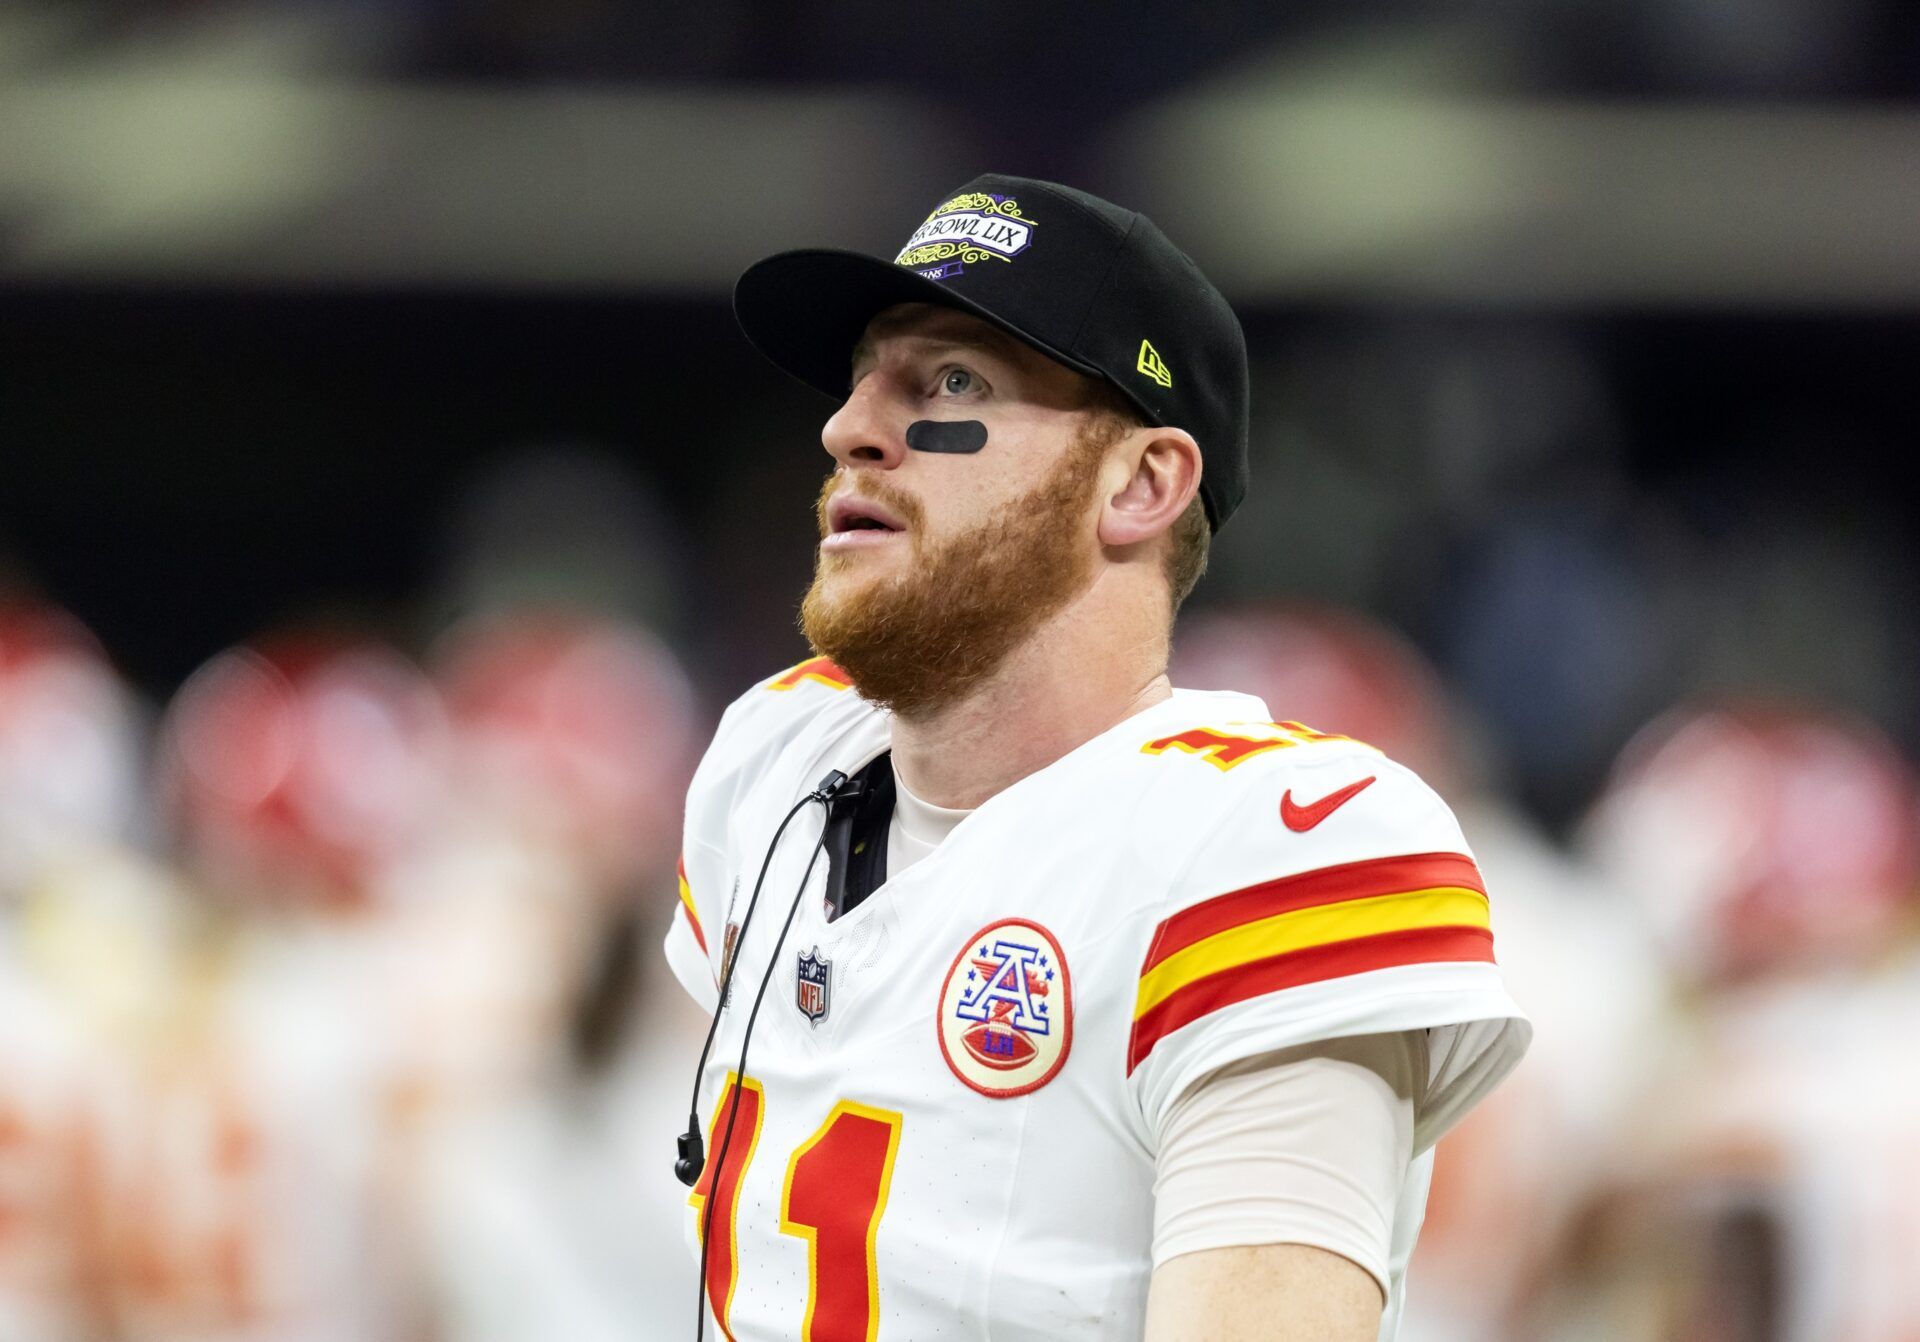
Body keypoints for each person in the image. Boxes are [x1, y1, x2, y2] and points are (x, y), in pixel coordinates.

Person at [661, 174, 1531, 1342]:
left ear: (1141, 482)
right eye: (866, 377)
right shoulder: (774, 758)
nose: (849, 428)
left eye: (949, 383)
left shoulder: (1256, 844)